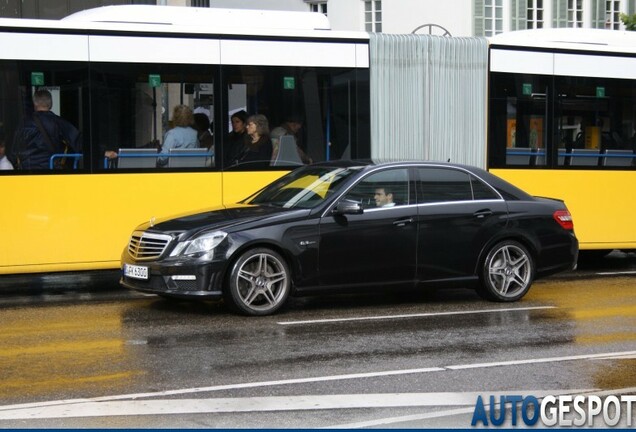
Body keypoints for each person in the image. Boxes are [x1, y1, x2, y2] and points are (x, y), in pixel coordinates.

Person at [10, 89, 81, 169]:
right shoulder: (59, 123)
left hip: (27, 172)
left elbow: (14, 153)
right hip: (51, 171)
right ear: (50, 104)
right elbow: (79, 143)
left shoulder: (24, 124)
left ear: (35, 104)